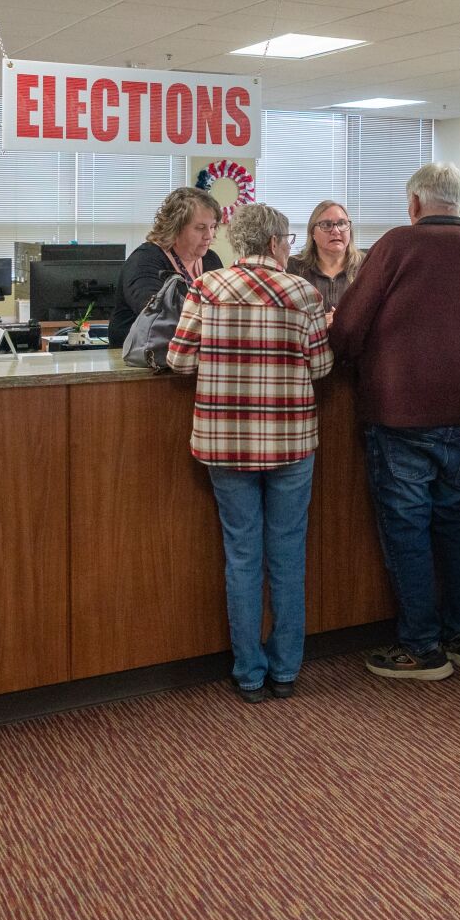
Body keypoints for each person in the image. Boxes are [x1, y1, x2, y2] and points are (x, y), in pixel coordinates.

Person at [328, 162, 460, 681]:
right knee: (454, 526)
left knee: (407, 531)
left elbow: (347, 326)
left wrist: (347, 357)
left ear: (415, 204)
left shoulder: (396, 246)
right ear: (457, 201)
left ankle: (422, 649)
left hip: (399, 417)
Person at [166, 203, 331, 703]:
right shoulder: (304, 293)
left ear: (238, 243)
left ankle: (250, 674)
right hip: (290, 441)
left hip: (226, 442)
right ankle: (285, 671)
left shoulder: (206, 289)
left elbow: (178, 359)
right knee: (286, 557)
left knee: (242, 555)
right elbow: (321, 367)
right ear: (279, 243)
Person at [109, 187, 223, 348]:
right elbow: (157, 315)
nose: (209, 236)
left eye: (212, 227)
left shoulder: (211, 260)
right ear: (175, 227)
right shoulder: (144, 260)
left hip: (189, 354)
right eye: (200, 228)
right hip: (138, 359)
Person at [286, 199, 364, 316]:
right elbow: (287, 313)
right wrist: (319, 322)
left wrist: (342, 320)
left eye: (342, 223)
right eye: (326, 225)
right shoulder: (292, 266)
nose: (336, 231)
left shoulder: (367, 265)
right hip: (309, 333)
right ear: (312, 233)